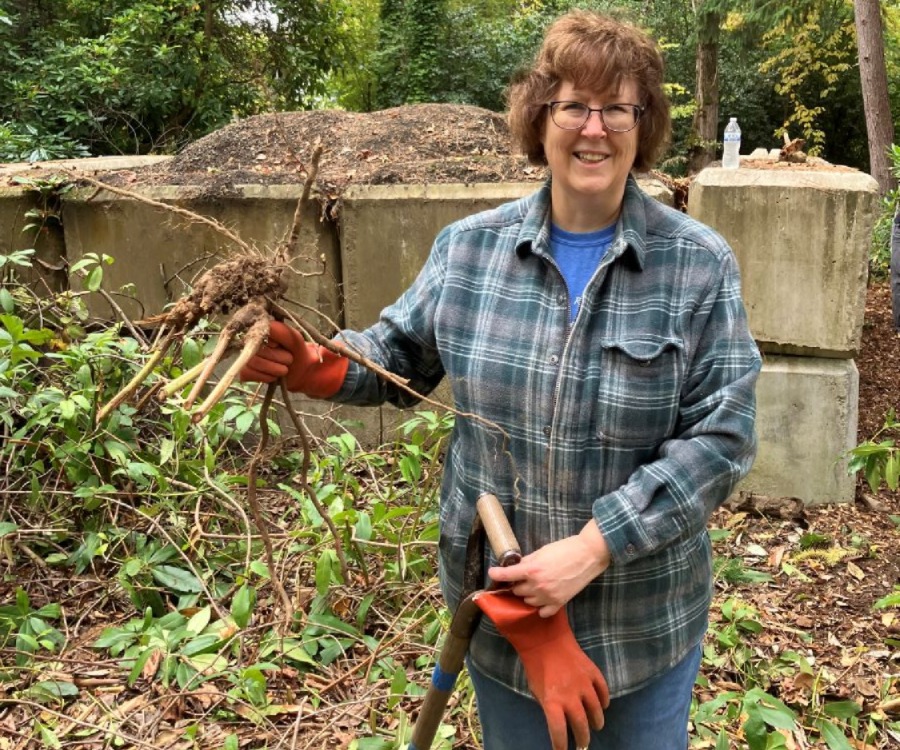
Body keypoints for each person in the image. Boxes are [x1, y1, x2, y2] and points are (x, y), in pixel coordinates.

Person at [240, 9, 760, 750]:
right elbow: (397, 356)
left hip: (642, 628)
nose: (594, 128)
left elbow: (724, 433)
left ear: (644, 126)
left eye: (619, 107)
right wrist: (315, 365)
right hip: (506, 639)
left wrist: (592, 547)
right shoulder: (470, 251)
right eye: (574, 104)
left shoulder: (697, 265)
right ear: (538, 117)